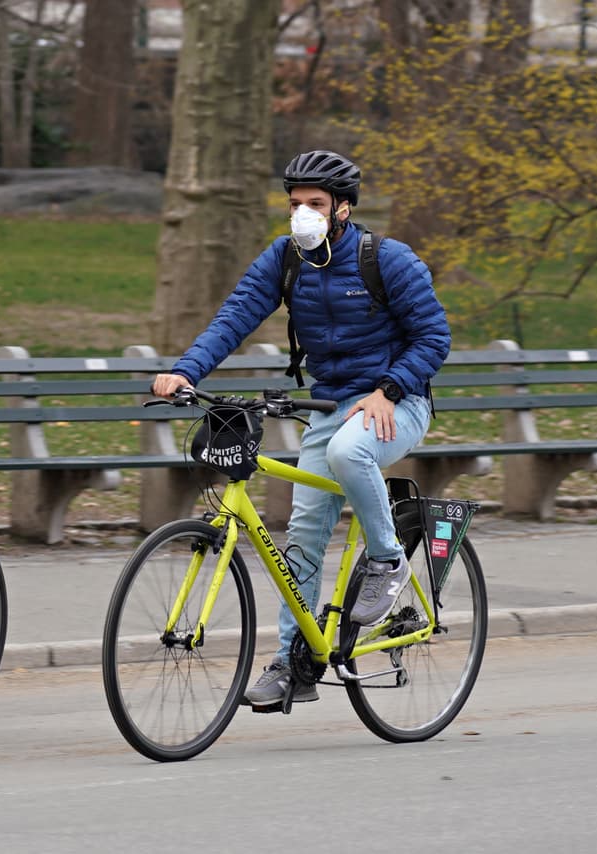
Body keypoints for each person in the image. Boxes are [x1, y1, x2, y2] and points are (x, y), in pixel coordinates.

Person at [151, 150, 450, 707]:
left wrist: (388, 389)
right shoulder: (285, 258)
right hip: (329, 405)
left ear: (343, 208)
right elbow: (236, 316)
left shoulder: (387, 259)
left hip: (397, 402)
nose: (302, 214)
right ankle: (295, 663)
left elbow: (434, 337)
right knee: (303, 537)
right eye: (294, 204)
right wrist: (186, 371)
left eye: (315, 203)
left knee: (349, 453)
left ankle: (387, 560)